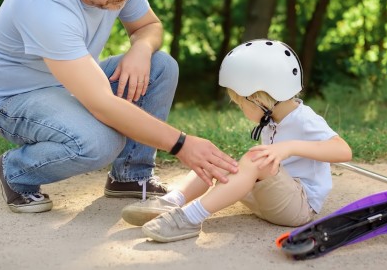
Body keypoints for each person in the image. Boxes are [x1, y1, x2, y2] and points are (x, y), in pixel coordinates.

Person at [0, 0, 237, 214]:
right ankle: (16, 171)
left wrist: (140, 49)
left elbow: (149, 27)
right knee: (99, 143)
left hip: (74, 80)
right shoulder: (44, 4)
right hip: (15, 100)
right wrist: (182, 144)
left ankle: (130, 176)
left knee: (161, 66)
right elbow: (101, 103)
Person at [120, 39, 352, 242]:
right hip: (269, 199)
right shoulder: (272, 120)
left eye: (241, 103)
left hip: (299, 206)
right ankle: (173, 201)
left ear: (260, 98)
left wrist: (288, 147)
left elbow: (343, 150)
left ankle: (190, 218)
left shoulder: (304, 118)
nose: (240, 109)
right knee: (217, 159)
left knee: (255, 158)